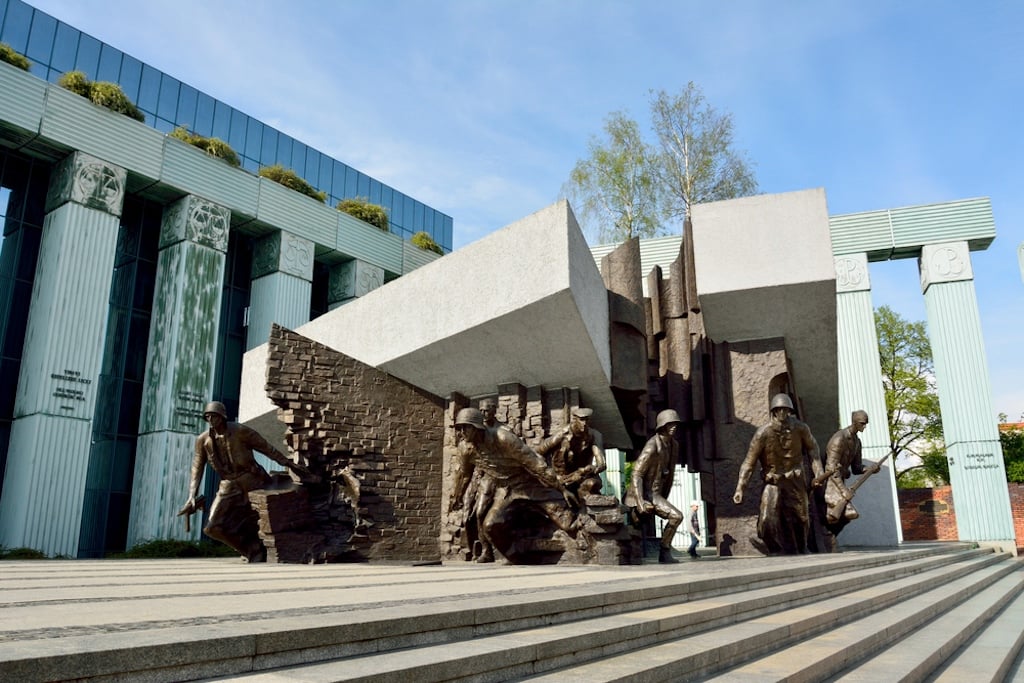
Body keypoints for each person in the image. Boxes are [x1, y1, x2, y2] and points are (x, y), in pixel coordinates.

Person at [179, 401, 316, 562]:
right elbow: (197, 467)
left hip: (253, 480)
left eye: (214, 416)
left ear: (222, 417)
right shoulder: (203, 440)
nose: (210, 419)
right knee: (211, 528)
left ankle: (265, 550)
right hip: (229, 485)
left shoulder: (240, 431)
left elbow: (267, 448)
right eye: (207, 416)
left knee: (260, 518)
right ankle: (251, 549)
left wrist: (289, 464)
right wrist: (191, 495)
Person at [451, 407, 578, 563]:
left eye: (466, 427)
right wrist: (457, 497)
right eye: (459, 428)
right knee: (490, 525)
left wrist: (561, 488)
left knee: (567, 522)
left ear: (477, 427)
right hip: (504, 489)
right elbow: (464, 476)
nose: (461, 432)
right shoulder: (465, 449)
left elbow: (536, 463)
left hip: (528, 483)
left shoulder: (502, 438)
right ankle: (518, 559)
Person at [733, 393, 824, 555]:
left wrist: (818, 472)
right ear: (773, 412)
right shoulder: (763, 433)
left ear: (790, 411)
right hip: (773, 480)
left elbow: (813, 449)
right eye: (779, 410)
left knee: (802, 517)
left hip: (795, 479)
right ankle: (774, 549)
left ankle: (802, 547)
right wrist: (740, 488)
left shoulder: (801, 428)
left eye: (785, 410)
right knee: (767, 518)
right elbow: (749, 462)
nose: (782, 413)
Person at [624, 409, 685, 564]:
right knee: (676, 516)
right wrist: (640, 501)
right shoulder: (652, 446)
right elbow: (636, 474)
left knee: (671, 518)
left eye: (675, 424)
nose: (673, 427)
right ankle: (664, 552)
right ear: (662, 425)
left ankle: (663, 552)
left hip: (658, 493)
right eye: (670, 424)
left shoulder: (674, 445)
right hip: (646, 494)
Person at [822, 411, 878, 537]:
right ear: (854, 422)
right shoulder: (839, 438)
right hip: (831, 482)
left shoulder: (857, 442)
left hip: (841, 480)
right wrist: (844, 491)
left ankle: (829, 534)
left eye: (865, 424)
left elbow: (856, 468)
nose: (864, 427)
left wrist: (870, 469)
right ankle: (825, 533)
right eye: (862, 424)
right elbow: (830, 468)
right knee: (846, 513)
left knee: (847, 516)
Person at [536, 407, 607, 497]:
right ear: (575, 420)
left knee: (592, 484)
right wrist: (547, 473)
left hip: (583, 476)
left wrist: (592, 469)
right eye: (581, 420)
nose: (584, 424)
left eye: (587, 420)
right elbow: (538, 452)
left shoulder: (595, 435)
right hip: (561, 478)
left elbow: (602, 464)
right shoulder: (562, 434)